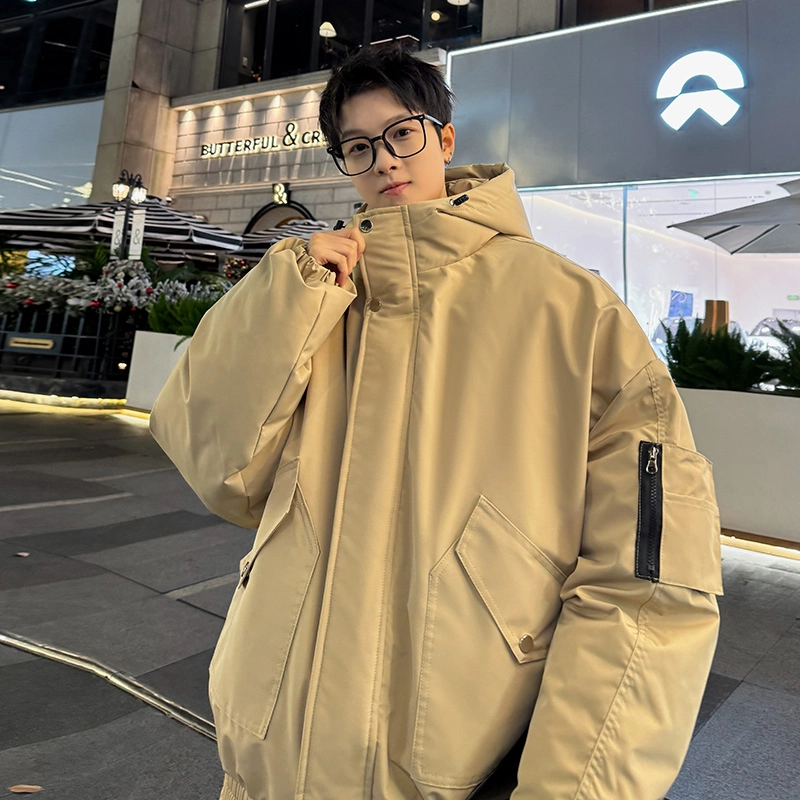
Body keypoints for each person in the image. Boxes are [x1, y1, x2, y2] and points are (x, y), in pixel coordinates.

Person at [150, 44, 723, 800]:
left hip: (464, 747)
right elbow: (221, 471)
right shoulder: (318, 290)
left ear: (444, 139)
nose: (385, 160)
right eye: (358, 146)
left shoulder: (569, 306)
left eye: (402, 133)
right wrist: (284, 296)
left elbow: (649, 581)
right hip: (273, 746)